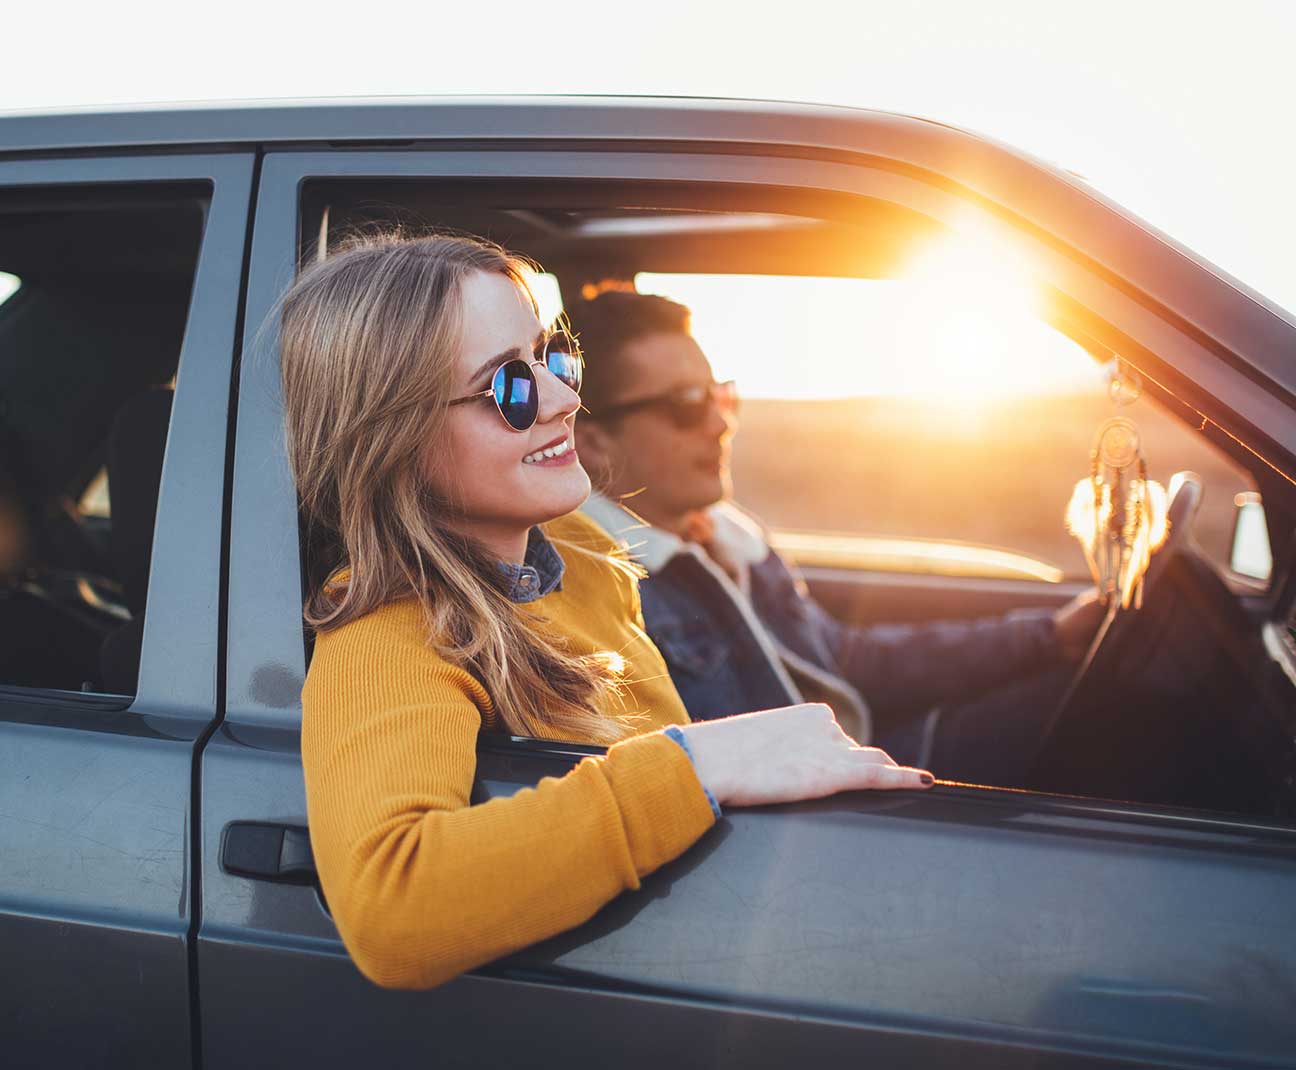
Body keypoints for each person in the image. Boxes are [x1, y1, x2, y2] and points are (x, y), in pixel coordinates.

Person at [278, 233, 936, 992]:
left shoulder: (582, 550)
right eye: (510, 389)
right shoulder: (390, 631)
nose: (564, 400)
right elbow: (391, 909)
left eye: (553, 357)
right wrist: (703, 764)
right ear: (396, 437)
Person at [569, 290, 1104, 782]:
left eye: (721, 396)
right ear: (594, 443)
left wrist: (1049, 636)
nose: (719, 424)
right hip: (826, 810)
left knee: (1079, 698)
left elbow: (841, 659)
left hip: (858, 760)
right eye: (685, 404)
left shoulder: (724, 535)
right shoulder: (607, 589)